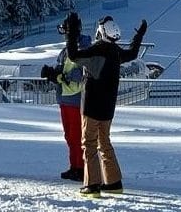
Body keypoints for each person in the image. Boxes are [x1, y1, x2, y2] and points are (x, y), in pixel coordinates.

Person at [63, 12, 147, 197]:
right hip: (108, 107)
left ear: (100, 32)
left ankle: (92, 184)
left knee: (89, 144)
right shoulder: (116, 52)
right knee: (104, 142)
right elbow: (133, 53)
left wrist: (71, 32)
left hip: (91, 106)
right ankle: (113, 182)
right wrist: (139, 35)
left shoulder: (96, 51)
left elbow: (73, 55)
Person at [41, 21, 92, 181]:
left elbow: (80, 73)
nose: (64, 34)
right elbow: (62, 69)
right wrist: (52, 74)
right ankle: (74, 165)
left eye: (65, 30)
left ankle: (81, 167)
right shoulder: (66, 50)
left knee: (77, 135)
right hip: (65, 98)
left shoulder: (83, 48)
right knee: (69, 135)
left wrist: (60, 77)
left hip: (75, 99)